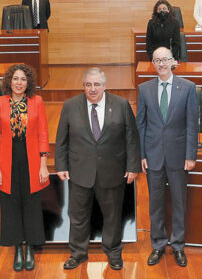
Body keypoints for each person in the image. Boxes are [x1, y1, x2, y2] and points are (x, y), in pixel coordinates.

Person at [55, 68, 141, 271]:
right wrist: (61, 165)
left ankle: (113, 252)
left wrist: (133, 167)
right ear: (83, 85)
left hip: (112, 171)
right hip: (79, 171)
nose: (92, 89)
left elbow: (132, 139)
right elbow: (61, 139)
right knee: (78, 216)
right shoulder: (70, 106)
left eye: (97, 85)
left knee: (112, 215)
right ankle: (77, 253)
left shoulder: (121, 105)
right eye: (88, 84)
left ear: (104, 85)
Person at [136, 47, 198, 267]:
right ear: (153, 63)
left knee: (180, 202)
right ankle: (158, 244)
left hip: (179, 156)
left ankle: (179, 245)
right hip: (153, 156)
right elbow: (140, 125)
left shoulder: (188, 88)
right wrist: (142, 154)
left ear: (173, 62)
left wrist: (191, 155)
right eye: (157, 60)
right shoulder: (144, 89)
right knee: (156, 203)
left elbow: (192, 124)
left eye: (165, 60)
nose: (161, 64)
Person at [0, 64, 50, 272]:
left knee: (32, 203)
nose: (19, 83)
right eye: (15, 79)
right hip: (7, 159)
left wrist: (43, 164)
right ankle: (17, 248)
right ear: (9, 81)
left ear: (28, 83)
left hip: (31, 159)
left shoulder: (37, 102)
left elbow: (43, 134)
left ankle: (31, 247)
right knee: (11, 204)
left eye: (23, 79)